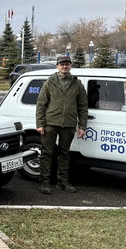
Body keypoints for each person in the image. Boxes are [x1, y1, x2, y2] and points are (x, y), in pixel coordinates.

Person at [35, 55, 88, 194]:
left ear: (70, 66)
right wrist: (40, 123)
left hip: (69, 124)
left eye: (67, 64)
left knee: (64, 154)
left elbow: (83, 106)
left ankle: (62, 181)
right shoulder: (50, 82)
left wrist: (82, 126)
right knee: (46, 153)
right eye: (62, 64)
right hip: (50, 123)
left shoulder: (77, 84)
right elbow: (41, 104)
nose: (64, 66)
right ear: (57, 66)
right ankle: (44, 182)